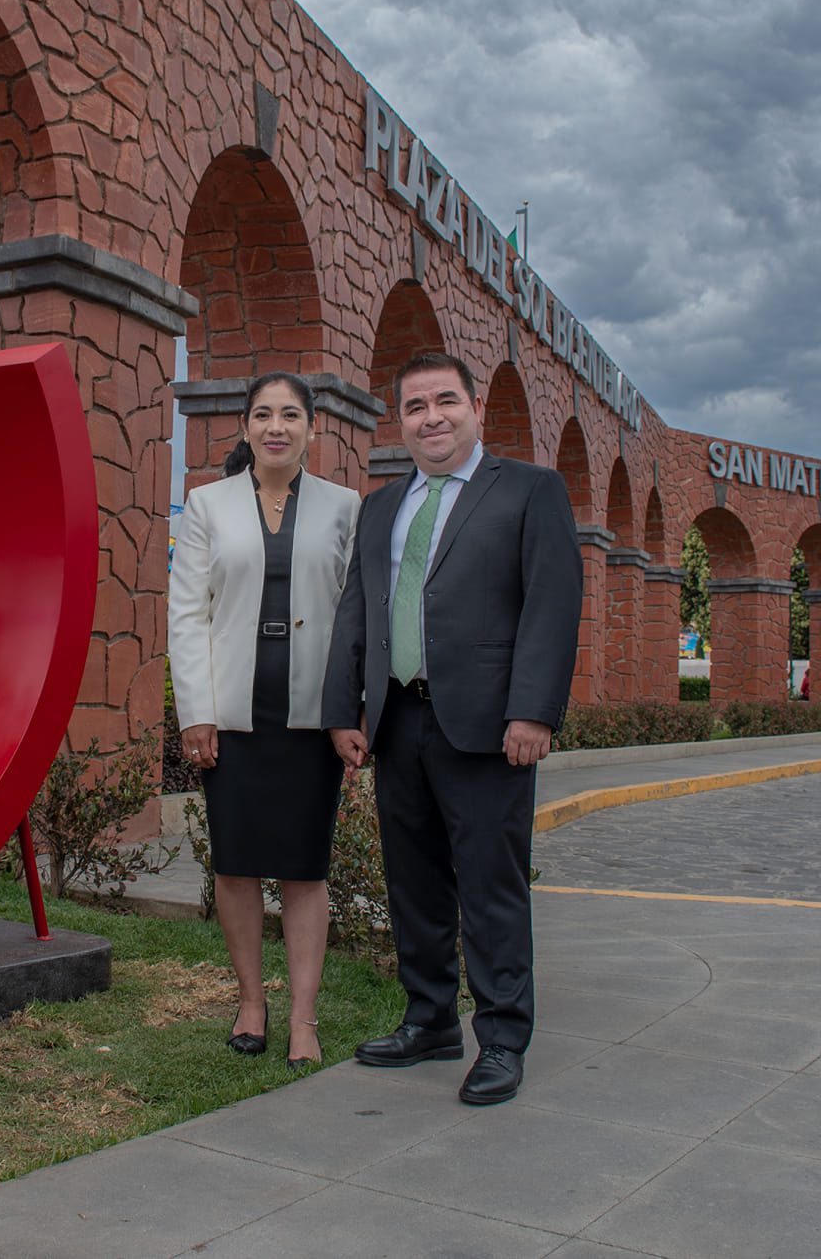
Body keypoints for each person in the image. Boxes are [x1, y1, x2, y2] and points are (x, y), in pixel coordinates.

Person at [322, 351, 581, 1106]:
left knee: (491, 883)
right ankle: (429, 1017)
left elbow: (552, 606)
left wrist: (533, 709)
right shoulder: (380, 506)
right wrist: (345, 710)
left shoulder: (531, 491)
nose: (430, 417)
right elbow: (356, 612)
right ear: (398, 421)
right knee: (415, 881)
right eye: (414, 406)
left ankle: (501, 1035)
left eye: (445, 401)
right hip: (400, 720)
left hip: (490, 726)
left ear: (474, 408)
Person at [169, 372, 360, 1070]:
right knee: (239, 863)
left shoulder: (345, 506)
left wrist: (350, 709)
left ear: (311, 427)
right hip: (234, 716)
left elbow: (354, 618)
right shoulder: (206, 504)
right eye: (262, 415)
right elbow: (187, 611)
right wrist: (197, 712)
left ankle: (303, 1018)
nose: (275, 426)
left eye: (289, 414)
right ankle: (252, 1001)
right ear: (246, 427)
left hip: (312, 719)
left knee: (306, 869)